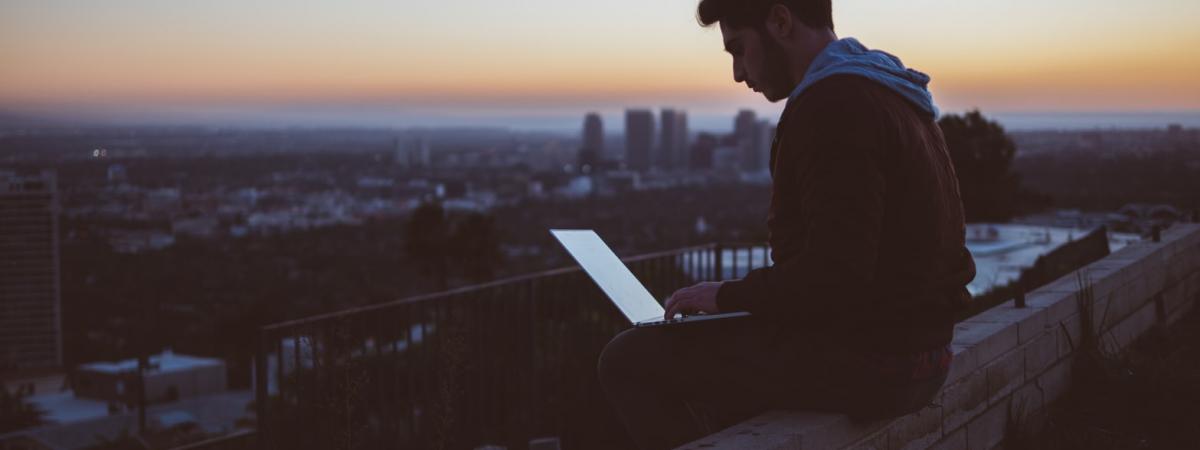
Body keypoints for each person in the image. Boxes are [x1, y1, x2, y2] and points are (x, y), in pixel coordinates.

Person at [595, 1, 978, 449]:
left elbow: (835, 279)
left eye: (739, 49)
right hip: (923, 354)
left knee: (626, 359)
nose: (738, 73)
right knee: (715, 357)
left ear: (780, 21)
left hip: (878, 363)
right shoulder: (889, 88)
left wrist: (725, 296)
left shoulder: (833, 104)